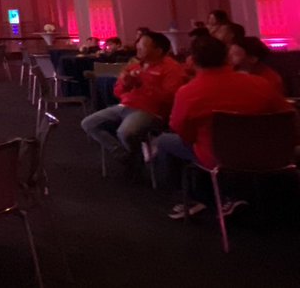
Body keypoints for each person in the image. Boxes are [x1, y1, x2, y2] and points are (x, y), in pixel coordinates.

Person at [156, 35, 293, 218]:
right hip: (270, 154)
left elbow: (182, 131)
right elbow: (288, 115)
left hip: (219, 157)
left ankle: (195, 199)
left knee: (165, 141)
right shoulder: (259, 83)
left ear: (193, 60)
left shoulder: (188, 92)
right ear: (226, 57)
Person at [81, 31, 185, 166]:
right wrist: (126, 84)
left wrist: (143, 85)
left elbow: (170, 98)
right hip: (125, 106)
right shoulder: (135, 66)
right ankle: (126, 157)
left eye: (143, 46)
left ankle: (134, 162)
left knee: (125, 132)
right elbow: (117, 92)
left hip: (151, 111)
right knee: (88, 123)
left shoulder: (172, 68)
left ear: (158, 51)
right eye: (139, 45)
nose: (138, 48)